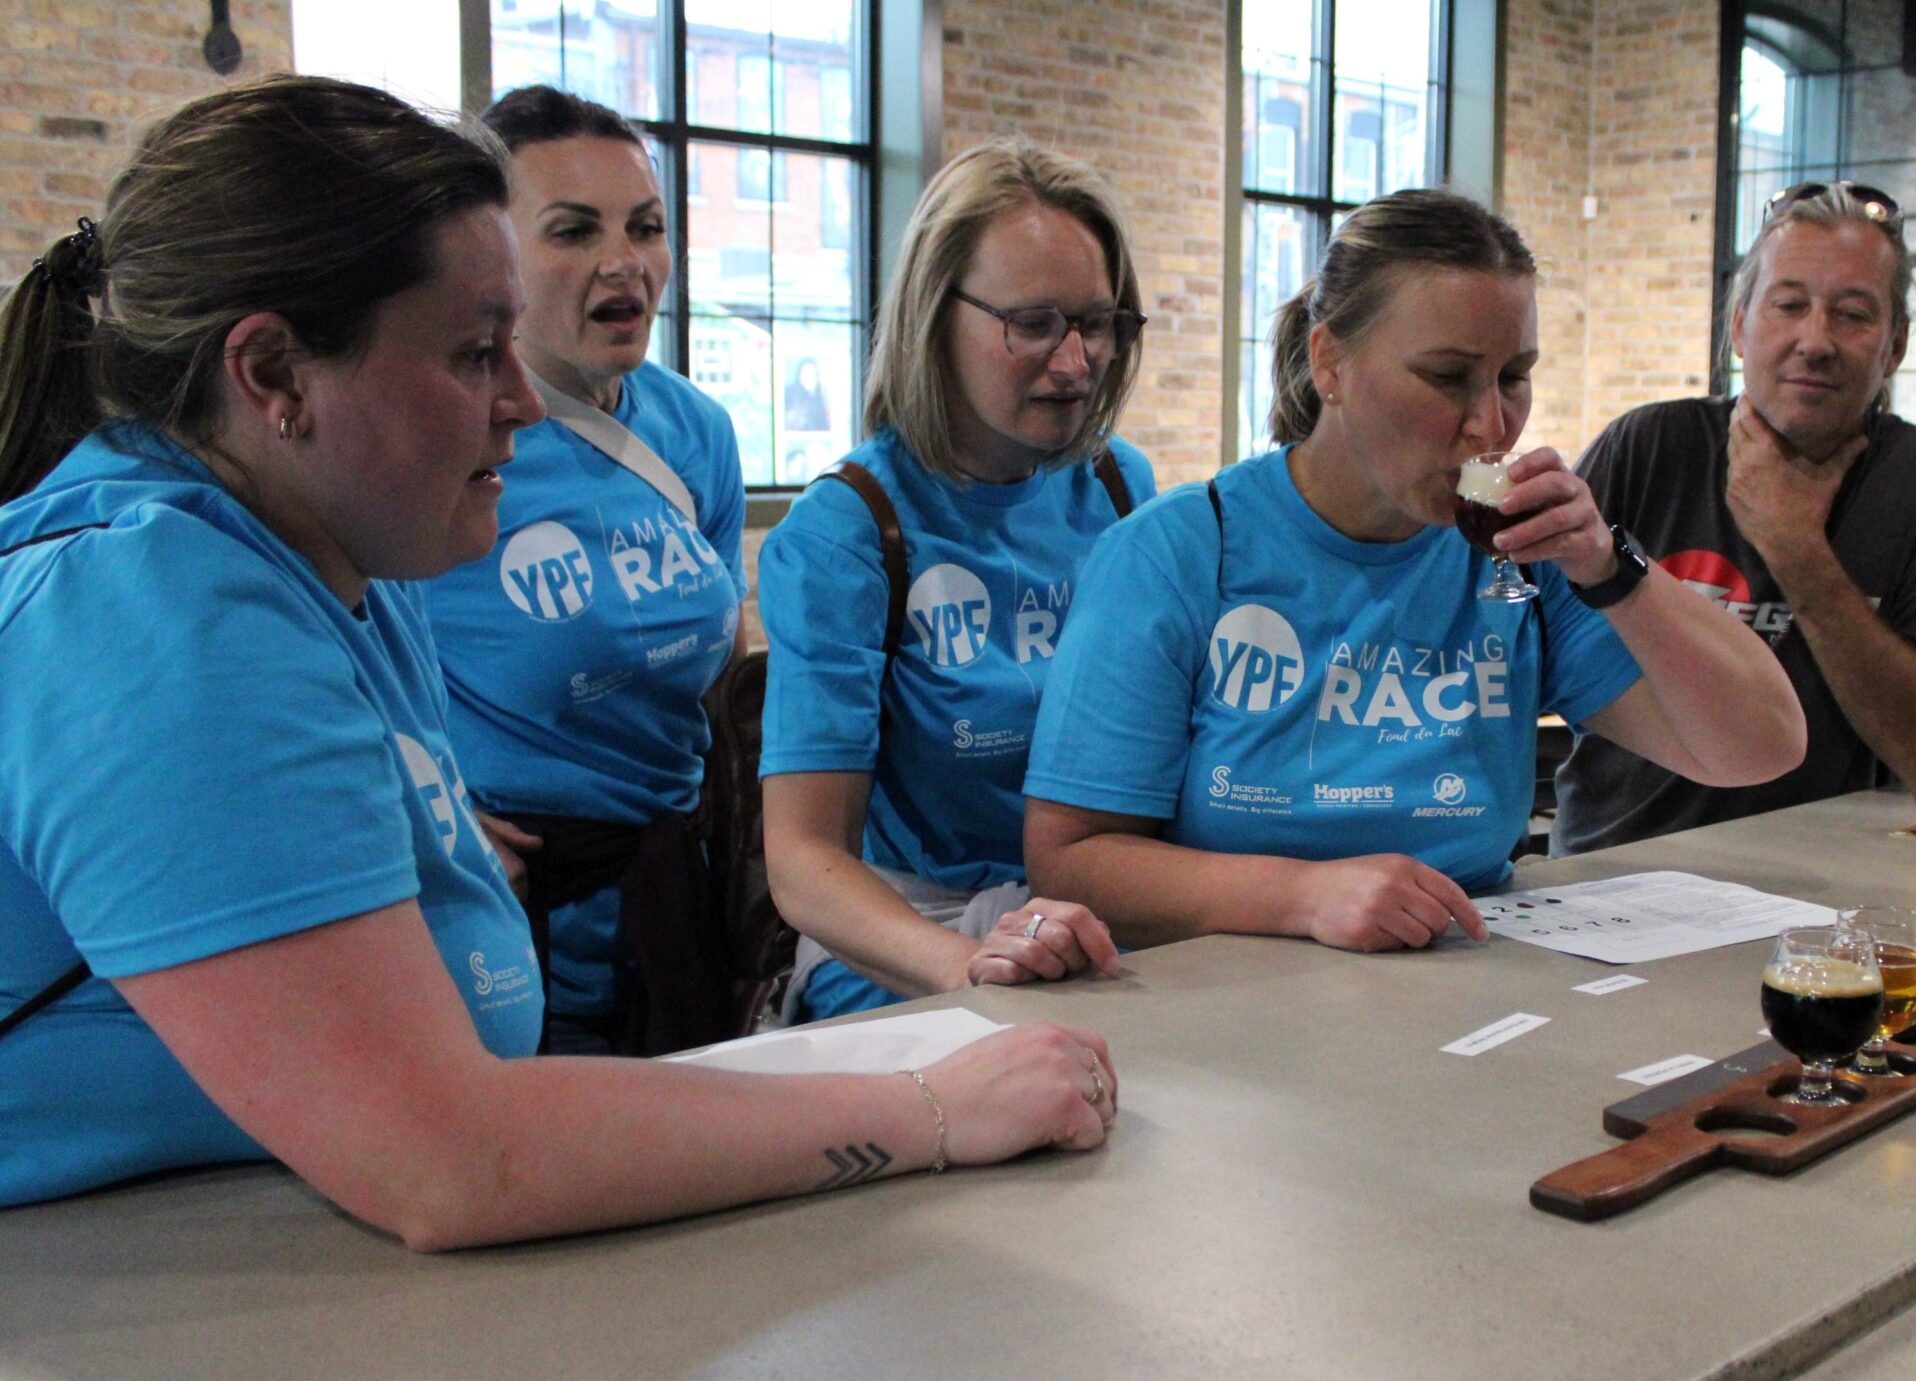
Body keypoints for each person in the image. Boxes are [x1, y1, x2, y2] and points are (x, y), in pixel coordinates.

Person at [0, 77, 1114, 1248]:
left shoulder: (338, 570)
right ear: (274, 375)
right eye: (478, 352)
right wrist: (928, 1108)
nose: (523, 402)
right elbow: (450, 1156)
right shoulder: (153, 609)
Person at [1018, 189, 1806, 953]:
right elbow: (1072, 859)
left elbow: (1760, 747)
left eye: (1514, 376)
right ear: (1329, 361)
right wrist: (1304, 894)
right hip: (1237, 1000)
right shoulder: (1178, 552)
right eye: (1448, 377)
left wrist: (1611, 566)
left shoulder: (1523, 558)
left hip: (1464, 987)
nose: (1490, 424)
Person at [759, 139, 1155, 1017]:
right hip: (911, 938)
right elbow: (805, 862)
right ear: (936, 314)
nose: (1077, 362)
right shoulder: (850, 528)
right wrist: (970, 964)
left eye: (1096, 322)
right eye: (1035, 323)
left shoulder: (1124, 489)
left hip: (1094, 926)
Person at [418, 85, 746, 1056]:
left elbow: (715, 670)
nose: (625, 264)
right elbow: (316, 657)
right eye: (572, 231)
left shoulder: (697, 434)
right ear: (495, 251)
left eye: (646, 228)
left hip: (672, 901)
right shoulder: (438, 438)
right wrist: (417, 810)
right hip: (508, 912)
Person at [1552, 181, 1916, 854]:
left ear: (1896, 345)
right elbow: (1520, 645)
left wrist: (1795, 547)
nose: (1815, 341)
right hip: (1621, 864)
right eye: (1789, 305)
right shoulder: (1651, 446)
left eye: (1852, 315)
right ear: (1739, 325)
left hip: (1833, 891)